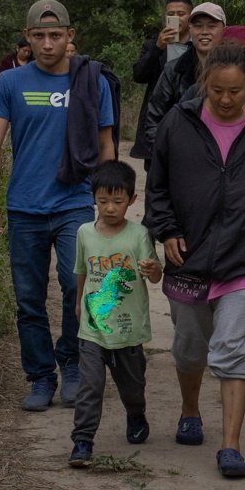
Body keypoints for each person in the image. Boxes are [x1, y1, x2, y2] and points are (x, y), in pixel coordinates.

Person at [145, 42, 245, 478]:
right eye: (217, 90)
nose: (224, 99)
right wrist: (167, 230)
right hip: (189, 256)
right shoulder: (177, 123)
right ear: (204, 83)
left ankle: (231, 446)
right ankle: (190, 410)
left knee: (235, 351)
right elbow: (157, 186)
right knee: (190, 347)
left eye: (234, 92)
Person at [0, 0, 117, 412]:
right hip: (25, 206)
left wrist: (108, 202)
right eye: (38, 36)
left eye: (55, 35)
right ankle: (40, 376)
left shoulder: (91, 81)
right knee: (28, 298)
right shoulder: (10, 82)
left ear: (70, 36)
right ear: (27, 37)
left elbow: (106, 145)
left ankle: (72, 364)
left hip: (74, 201)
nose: (47, 43)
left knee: (78, 286)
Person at [69, 160, 162, 466]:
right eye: (103, 200)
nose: (110, 208)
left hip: (128, 328)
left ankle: (136, 414)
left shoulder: (139, 235)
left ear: (132, 200)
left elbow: (155, 275)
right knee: (90, 386)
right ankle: (82, 440)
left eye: (118, 201)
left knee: (132, 386)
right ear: (93, 198)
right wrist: (78, 303)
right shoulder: (84, 233)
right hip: (93, 326)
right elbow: (82, 271)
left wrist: (152, 269)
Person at [137, 1, 226, 157]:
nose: (204, 32)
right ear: (190, 29)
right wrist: (167, 156)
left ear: (224, 30)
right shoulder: (173, 70)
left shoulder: (236, 69)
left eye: (212, 26)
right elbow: (154, 119)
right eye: (198, 26)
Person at [129, 0, 193, 158]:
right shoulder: (153, 45)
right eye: (171, 14)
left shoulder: (198, 46)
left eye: (181, 14)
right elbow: (139, 76)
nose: (176, 18)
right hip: (158, 117)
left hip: (188, 115)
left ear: (190, 17)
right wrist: (158, 48)